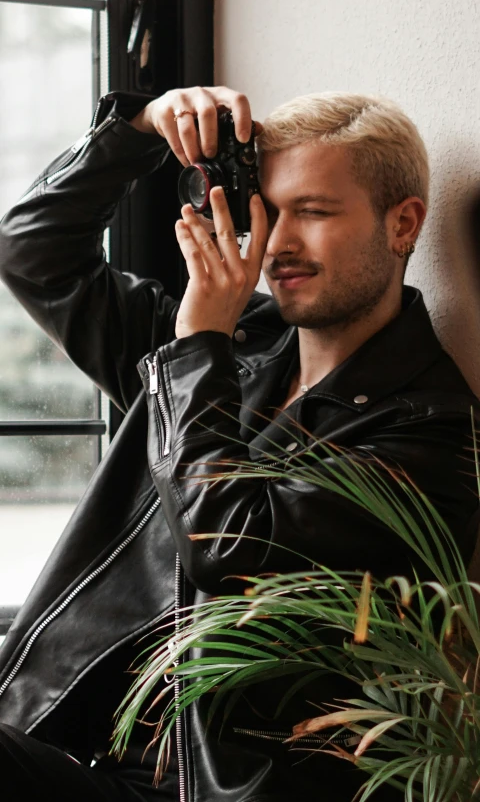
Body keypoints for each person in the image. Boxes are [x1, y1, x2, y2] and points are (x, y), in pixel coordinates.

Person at [0, 84, 478, 802]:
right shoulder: (238, 347)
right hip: (63, 735)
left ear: (403, 223)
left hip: (206, 789)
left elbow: (228, 541)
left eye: (313, 212)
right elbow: (31, 253)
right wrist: (141, 127)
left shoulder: (434, 433)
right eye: (269, 211)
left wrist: (200, 343)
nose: (277, 244)